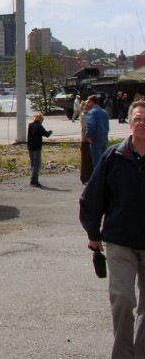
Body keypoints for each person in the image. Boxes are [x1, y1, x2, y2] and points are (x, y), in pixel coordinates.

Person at [80, 100, 145, 358]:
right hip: (120, 240)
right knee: (123, 299)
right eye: (137, 119)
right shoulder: (114, 156)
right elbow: (93, 197)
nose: (141, 124)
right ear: (130, 123)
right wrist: (93, 235)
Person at [26, 112, 52, 187]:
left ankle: (33, 177)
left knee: (33, 163)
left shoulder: (30, 125)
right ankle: (34, 179)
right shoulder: (39, 126)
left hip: (30, 146)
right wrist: (50, 131)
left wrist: (28, 145)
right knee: (37, 164)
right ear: (40, 119)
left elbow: (28, 136)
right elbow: (46, 134)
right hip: (37, 147)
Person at [86, 94, 111, 168]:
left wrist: (88, 135)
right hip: (104, 137)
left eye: (88, 102)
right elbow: (107, 125)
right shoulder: (104, 112)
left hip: (96, 137)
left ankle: (98, 178)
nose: (88, 104)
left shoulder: (92, 112)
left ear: (91, 101)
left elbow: (91, 125)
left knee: (97, 161)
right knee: (104, 160)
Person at [79, 101, 93, 184]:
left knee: (91, 159)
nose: (87, 106)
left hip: (90, 139)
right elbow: (85, 127)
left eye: (88, 105)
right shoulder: (83, 114)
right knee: (85, 160)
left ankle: (90, 177)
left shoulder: (91, 114)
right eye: (86, 105)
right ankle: (84, 177)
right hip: (85, 139)